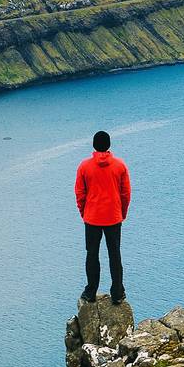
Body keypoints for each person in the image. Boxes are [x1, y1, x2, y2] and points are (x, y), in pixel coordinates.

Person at [75, 130, 130, 304]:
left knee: (92, 255)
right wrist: (122, 212)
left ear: (93, 145)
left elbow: (80, 193)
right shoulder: (120, 166)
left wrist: (84, 212)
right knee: (115, 255)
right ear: (108, 145)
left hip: (92, 218)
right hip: (113, 217)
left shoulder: (84, 167)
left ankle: (90, 292)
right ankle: (118, 293)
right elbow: (126, 193)